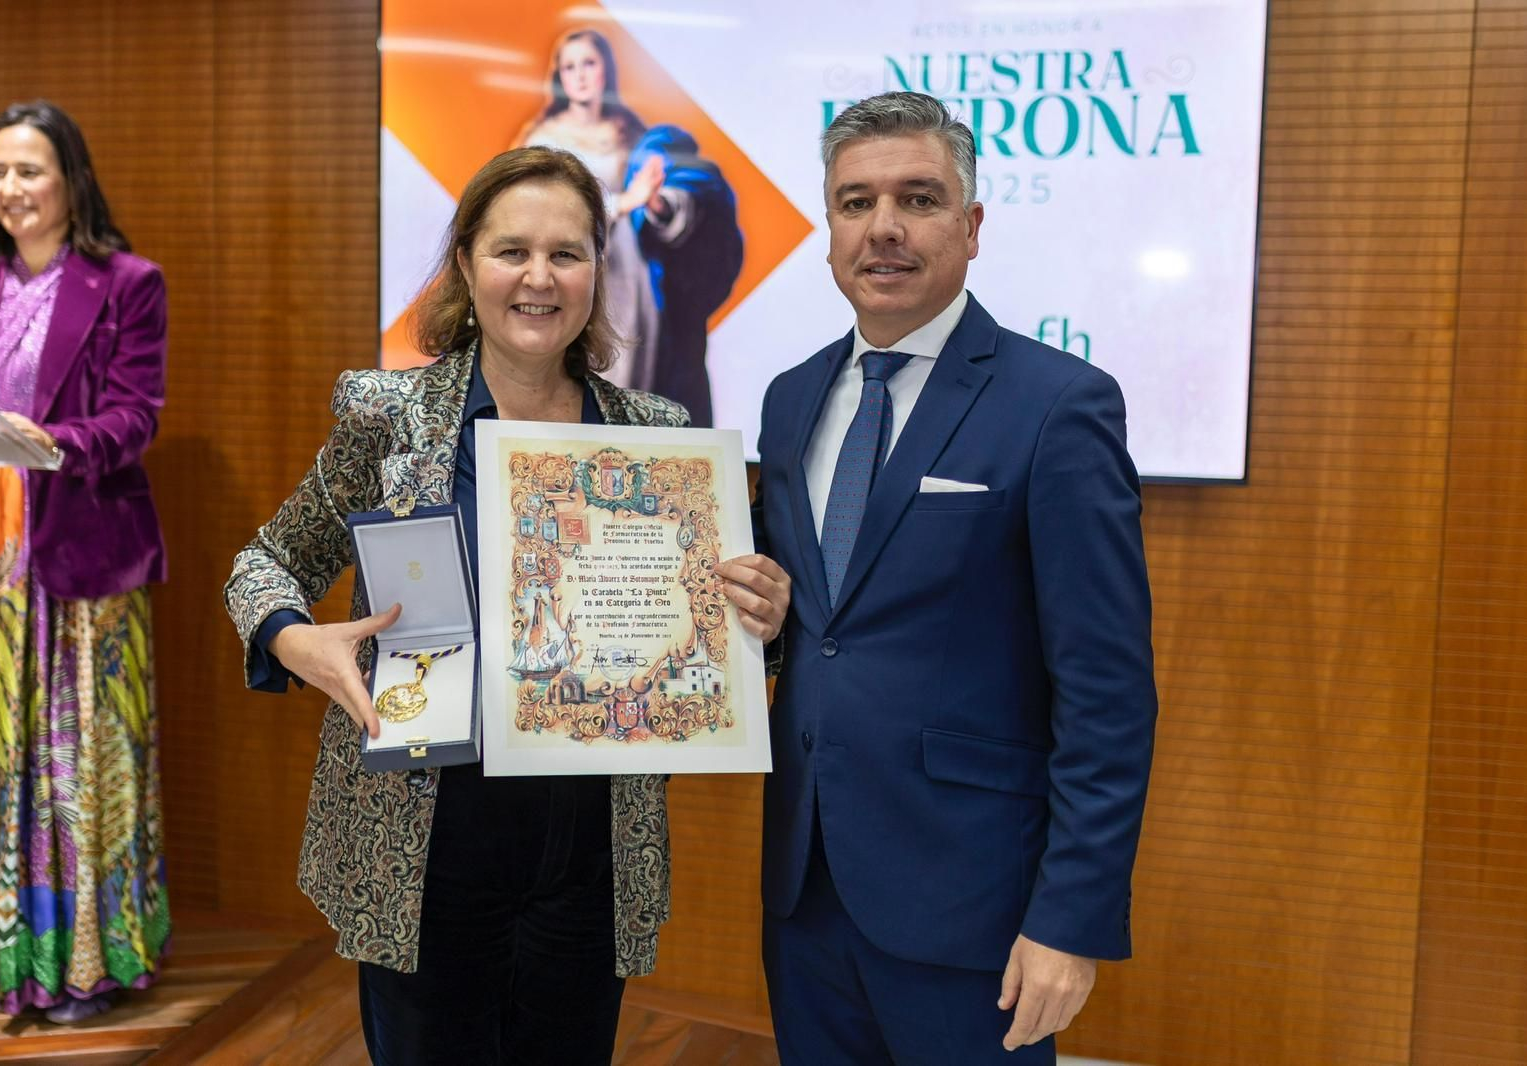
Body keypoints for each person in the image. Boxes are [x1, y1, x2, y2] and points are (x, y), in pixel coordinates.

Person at [222, 146, 788, 1065]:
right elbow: (264, 563)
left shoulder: (658, 437)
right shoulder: (389, 416)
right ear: (466, 265)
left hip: (593, 850)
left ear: (598, 275)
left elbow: (711, 648)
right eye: (510, 250)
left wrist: (756, 619)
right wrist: (296, 641)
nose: (538, 277)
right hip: (425, 835)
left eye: (566, 253)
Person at [752, 92, 1158, 1063]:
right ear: (828, 227)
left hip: (973, 905)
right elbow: (815, 623)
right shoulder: (789, 395)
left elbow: (1106, 691)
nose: (882, 228)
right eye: (854, 202)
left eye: (918, 198)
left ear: (971, 227)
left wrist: (1069, 919)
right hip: (805, 890)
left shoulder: (1059, 404)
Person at [0, 100, 171, 1022]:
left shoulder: (127, 282)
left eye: (29, 170)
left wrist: (49, 442)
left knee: (74, 764)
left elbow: (139, 414)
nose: (11, 190)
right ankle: (3, 953)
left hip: (78, 550)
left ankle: (84, 963)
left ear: (70, 179)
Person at [516, 28, 743, 425]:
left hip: (629, 277)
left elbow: (666, 195)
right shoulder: (542, 140)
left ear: (606, 70)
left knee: (632, 376)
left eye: (589, 63)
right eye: (570, 67)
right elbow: (538, 215)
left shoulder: (633, 133)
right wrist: (624, 202)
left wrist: (654, 202)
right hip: (568, 270)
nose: (580, 75)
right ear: (559, 77)